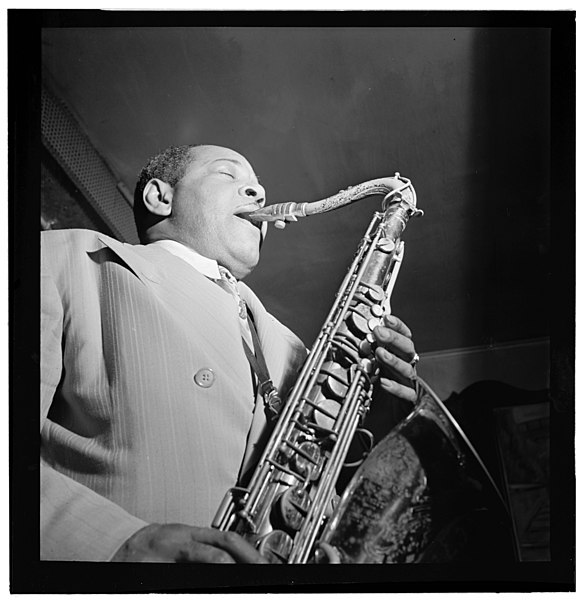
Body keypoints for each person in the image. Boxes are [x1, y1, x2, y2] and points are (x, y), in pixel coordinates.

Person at [41, 144, 419, 562]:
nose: (258, 191)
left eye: (257, 184)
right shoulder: (65, 258)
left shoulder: (300, 351)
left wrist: (378, 419)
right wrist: (117, 543)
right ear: (160, 197)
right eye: (228, 174)